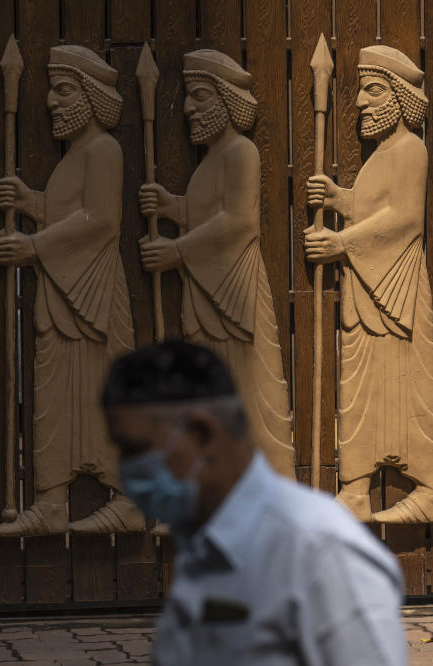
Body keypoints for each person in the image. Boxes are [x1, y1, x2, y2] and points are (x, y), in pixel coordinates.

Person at [102, 342, 407, 666]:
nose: (126, 470)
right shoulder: (201, 544)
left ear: (203, 434)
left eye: (136, 450)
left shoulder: (319, 550)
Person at [0, 45, 142, 536]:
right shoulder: (76, 155)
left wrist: (33, 245)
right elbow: (67, 212)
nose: (51, 102)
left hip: (93, 294)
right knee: (55, 394)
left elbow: (99, 221)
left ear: (92, 96)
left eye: (63, 90)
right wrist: (33, 202)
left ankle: (127, 499)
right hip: (62, 294)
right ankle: (52, 500)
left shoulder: (104, 150)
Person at [139, 49, 294, 476]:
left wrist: (178, 250)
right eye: (189, 96)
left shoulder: (242, 152)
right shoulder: (211, 161)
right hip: (207, 292)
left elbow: (239, 222)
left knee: (244, 389)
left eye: (200, 96)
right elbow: (208, 212)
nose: (189, 107)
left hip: (233, 295)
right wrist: (174, 206)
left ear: (228, 101)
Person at [306, 45, 433, 524]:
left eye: (373, 90)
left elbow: (405, 220)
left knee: (408, 390)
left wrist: (340, 243)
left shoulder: (411, 150)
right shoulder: (383, 154)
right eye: (361, 90)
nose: (361, 101)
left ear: (400, 98)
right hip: (367, 290)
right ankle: (356, 489)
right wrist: (341, 198)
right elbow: (375, 208)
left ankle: (428, 492)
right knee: (360, 387)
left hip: (396, 290)